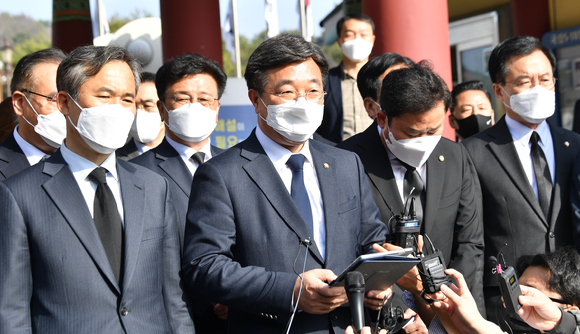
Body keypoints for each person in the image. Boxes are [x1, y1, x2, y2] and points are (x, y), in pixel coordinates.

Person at [182, 33, 389, 333]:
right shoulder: (222, 174)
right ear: (256, 99)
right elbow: (204, 267)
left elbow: (371, 239)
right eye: (288, 92)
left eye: (313, 91)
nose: (302, 102)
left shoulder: (346, 163)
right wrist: (289, 290)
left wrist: (379, 280)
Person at [0, 45, 193, 333]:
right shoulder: (20, 195)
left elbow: (172, 296)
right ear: (65, 103)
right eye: (104, 96)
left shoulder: (154, 187)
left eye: (127, 99)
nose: (117, 109)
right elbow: (12, 310)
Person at [339, 62, 485, 314]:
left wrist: (443, 300)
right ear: (383, 119)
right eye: (413, 132)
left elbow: (470, 243)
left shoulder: (454, 155)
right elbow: (346, 248)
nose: (425, 141)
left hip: (452, 309)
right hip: (383, 313)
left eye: (434, 130)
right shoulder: (346, 160)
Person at [461, 36, 580, 324]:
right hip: (508, 303)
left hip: (569, 301)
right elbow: (471, 241)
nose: (538, 88)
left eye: (545, 79)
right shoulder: (473, 152)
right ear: (499, 90)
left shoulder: (574, 145)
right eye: (525, 81)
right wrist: (475, 317)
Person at [131, 52, 227, 334]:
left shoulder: (238, 166)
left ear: (217, 107)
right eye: (183, 98)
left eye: (205, 99)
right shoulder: (137, 174)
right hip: (174, 318)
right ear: (163, 109)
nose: (195, 106)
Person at [0, 48, 66, 181]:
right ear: (20, 103)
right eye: (54, 99)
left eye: (72, 100)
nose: (66, 109)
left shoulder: (92, 163)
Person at [317, 13, 376, 144]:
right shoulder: (323, 81)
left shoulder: (383, 79)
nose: (357, 40)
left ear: (373, 40)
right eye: (350, 34)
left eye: (363, 35)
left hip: (378, 157)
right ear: (339, 41)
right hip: (337, 156)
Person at [117, 72, 165, 160]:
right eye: (132, 105)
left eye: (147, 106)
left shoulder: (185, 156)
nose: (138, 113)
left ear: (163, 108)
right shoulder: (115, 160)